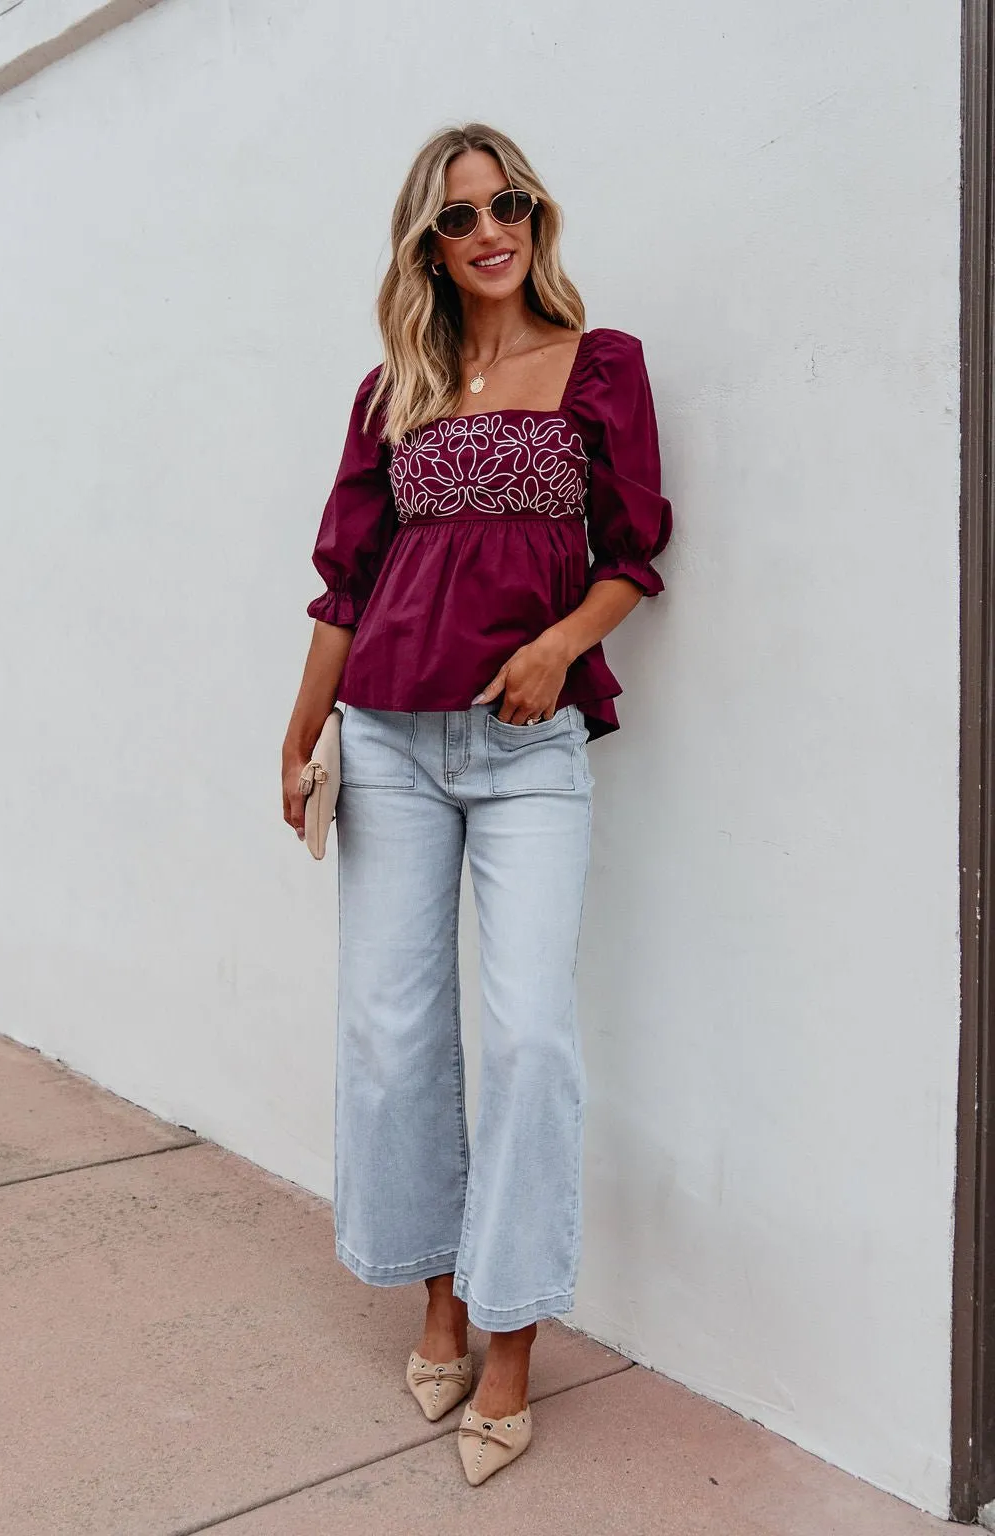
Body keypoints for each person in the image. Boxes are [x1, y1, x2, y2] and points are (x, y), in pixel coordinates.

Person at [281, 121, 672, 1486]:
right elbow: (345, 585)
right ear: (427, 245)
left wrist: (560, 645)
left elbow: (631, 554)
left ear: (535, 216)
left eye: (510, 202)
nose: (492, 227)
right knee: (393, 1035)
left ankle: (510, 1335)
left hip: (526, 750)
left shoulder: (600, 366)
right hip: (385, 739)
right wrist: (297, 731)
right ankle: (435, 1286)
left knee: (527, 1039)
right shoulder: (393, 385)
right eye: (461, 216)